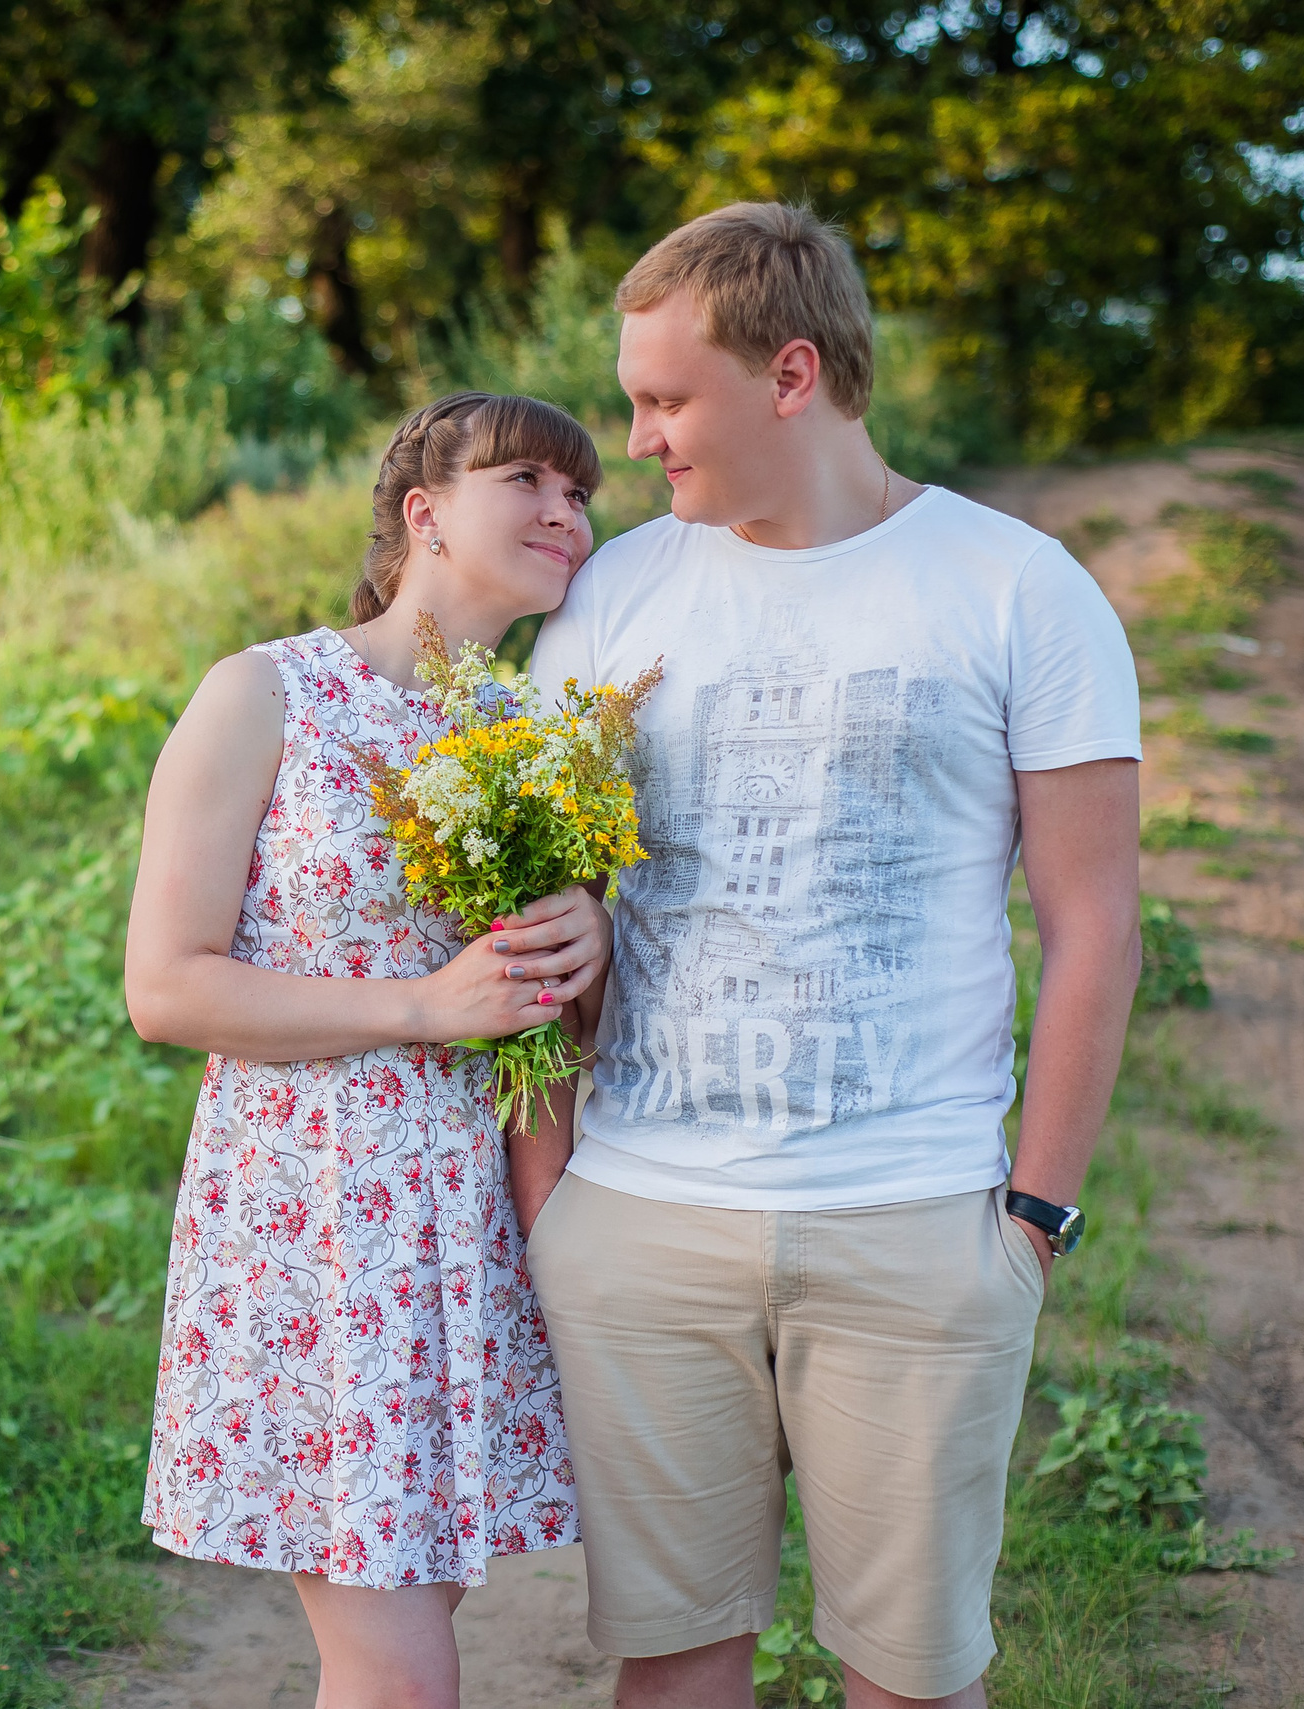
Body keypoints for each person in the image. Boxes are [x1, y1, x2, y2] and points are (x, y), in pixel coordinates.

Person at [516, 203, 1142, 1709]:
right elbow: (530, 923)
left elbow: (1097, 922)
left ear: (792, 374)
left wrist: (1033, 1218)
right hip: (643, 1220)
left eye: (667, 398)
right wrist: (554, 1209)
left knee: (914, 1682)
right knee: (672, 1670)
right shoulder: (616, 593)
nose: (639, 438)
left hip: (915, 1224)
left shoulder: (1018, 586)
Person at [126, 392, 613, 1709]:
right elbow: (165, 988)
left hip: (473, 1234)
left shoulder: (535, 736)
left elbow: (548, 1035)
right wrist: (420, 1005)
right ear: (424, 513)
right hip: (319, 1229)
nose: (567, 513)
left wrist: (588, 945)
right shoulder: (264, 693)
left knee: (395, 1644)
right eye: (529, 480)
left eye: (583, 496)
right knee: (400, 1669)